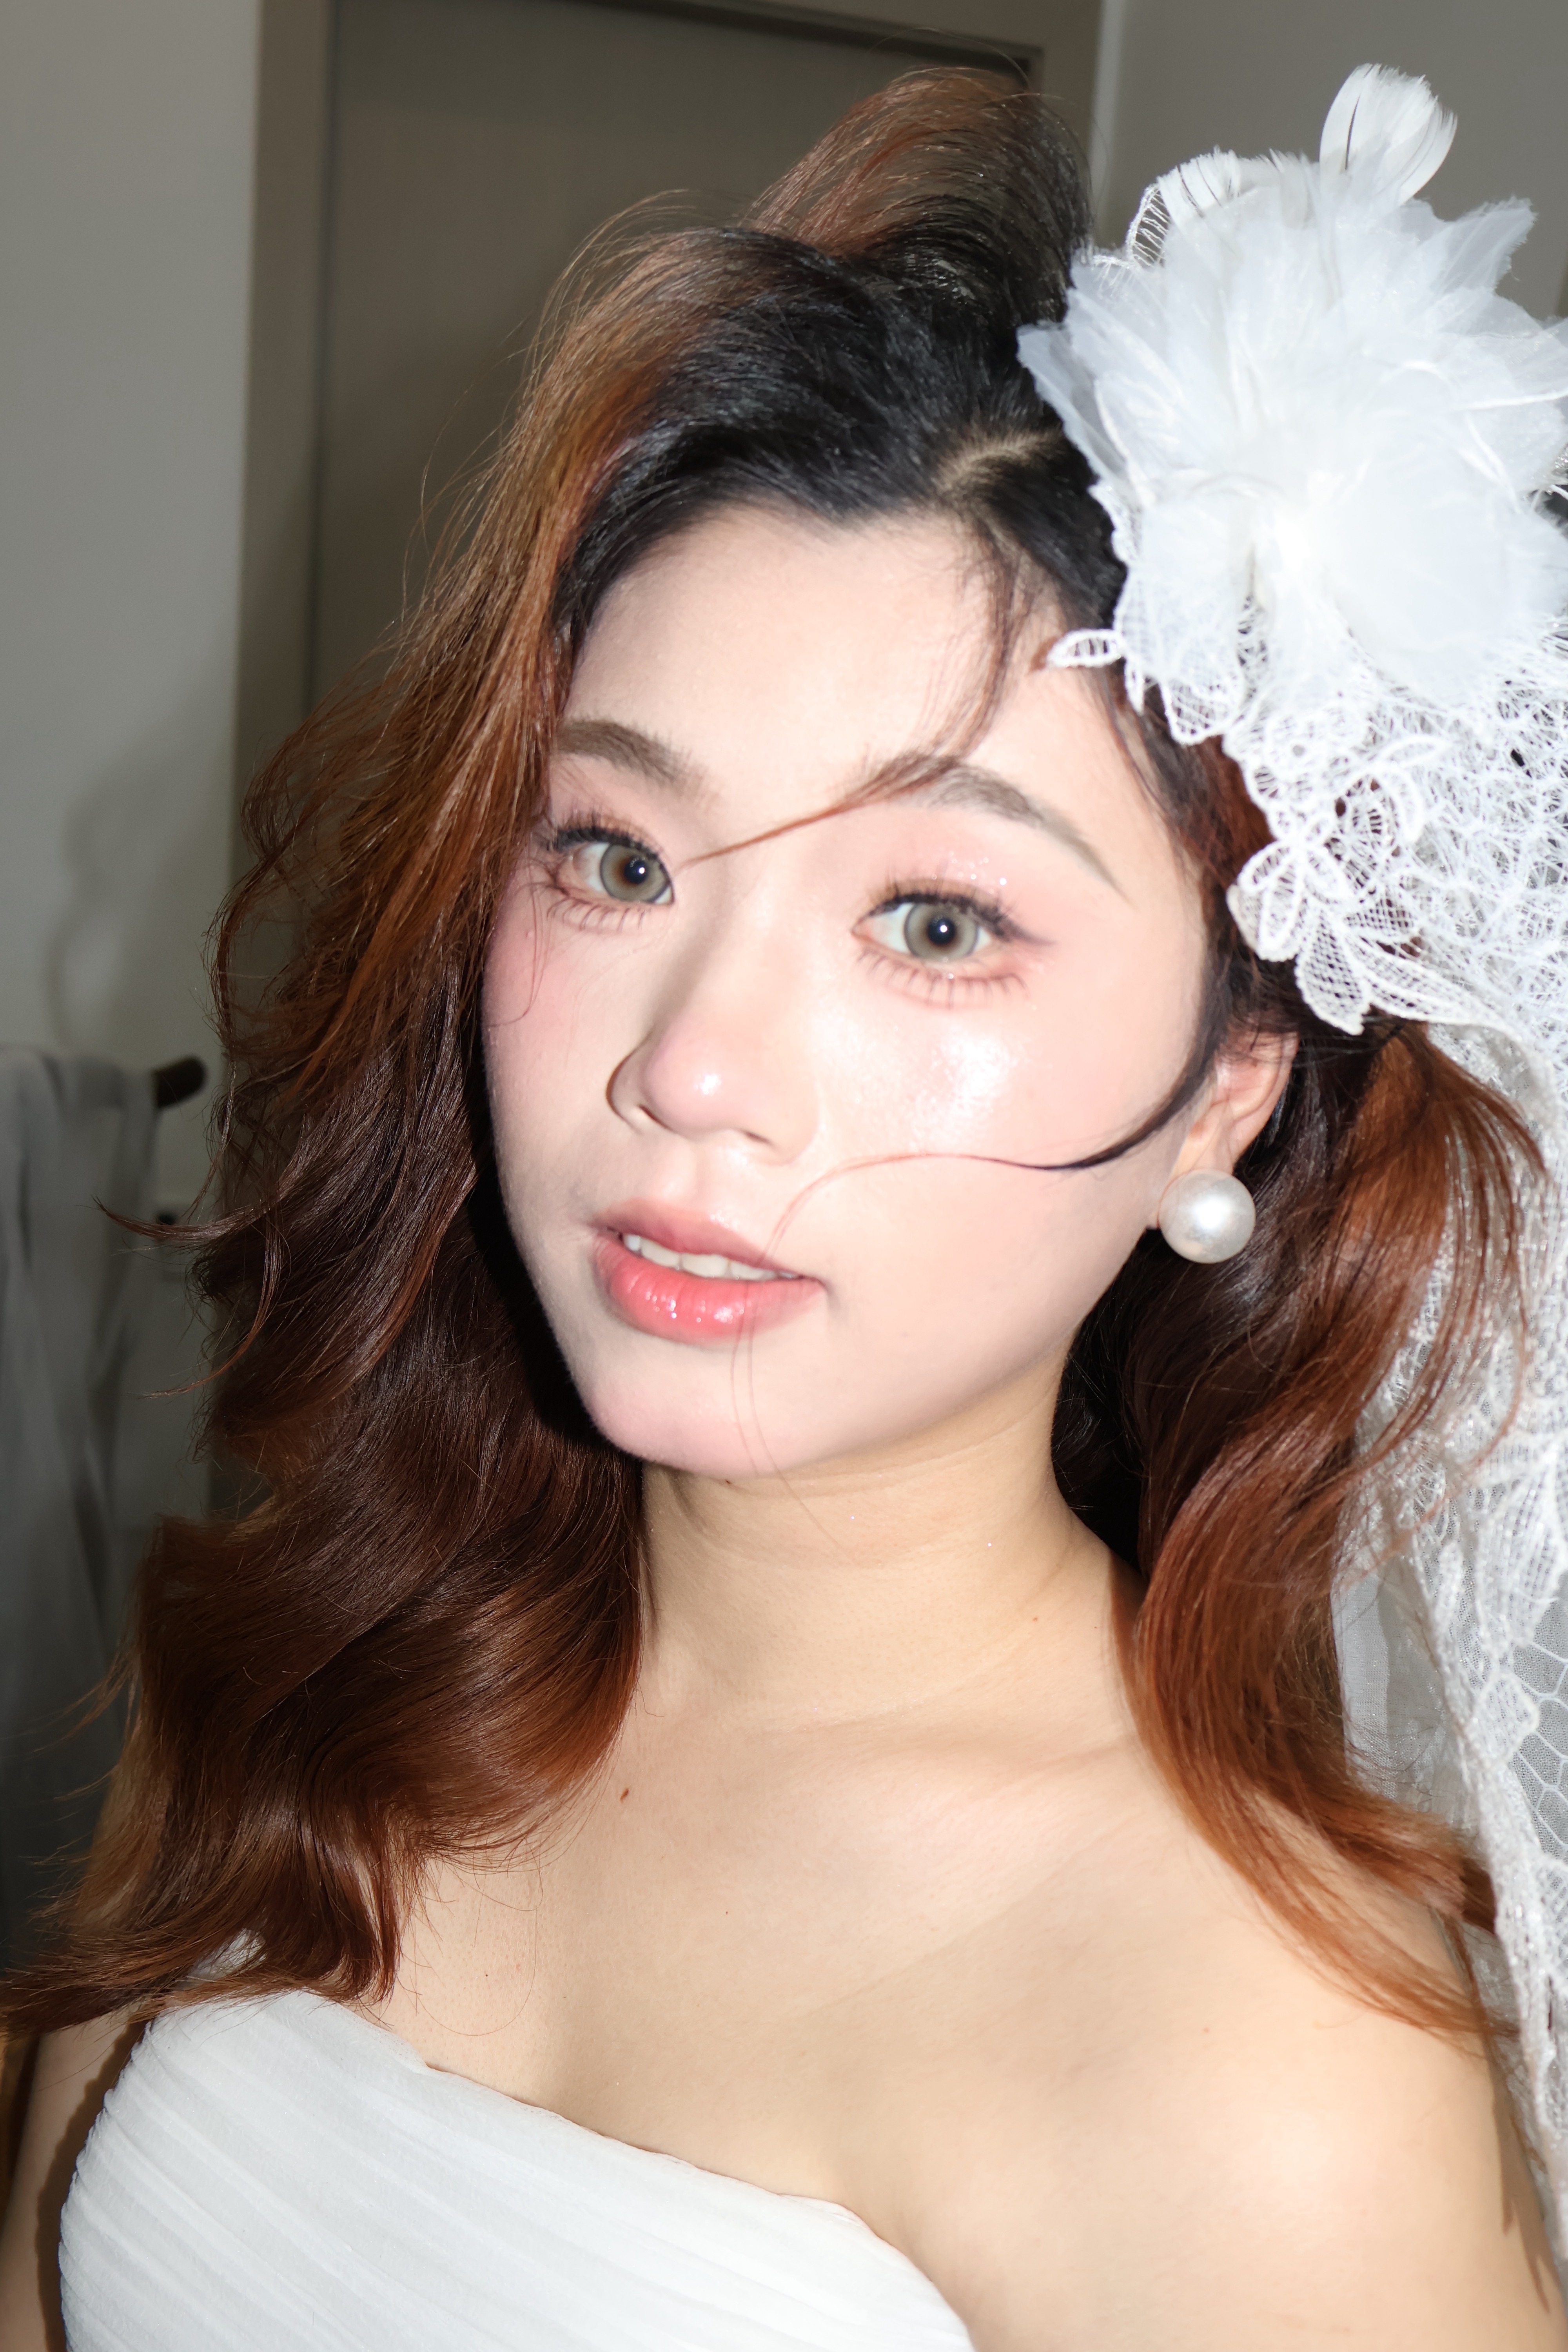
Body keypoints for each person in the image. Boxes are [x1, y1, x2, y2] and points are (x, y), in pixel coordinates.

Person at [3, 62, 1567, 2351]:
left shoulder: (1268, 2073)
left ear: (1226, 1089)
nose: (693, 1070)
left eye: (937, 922)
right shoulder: (326, 1642)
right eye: (618, 859)